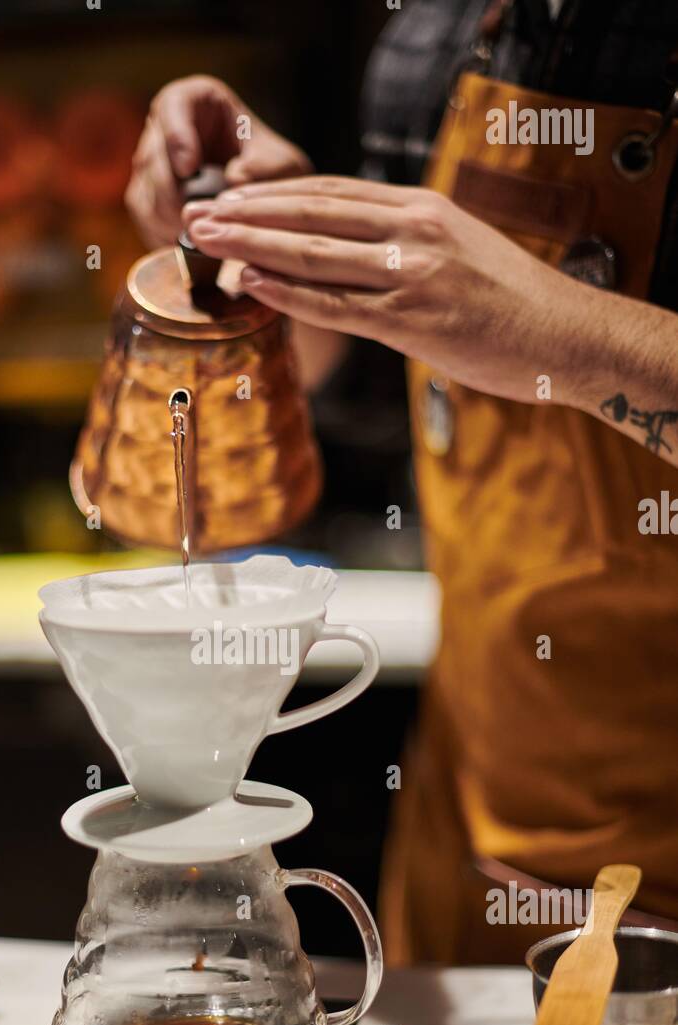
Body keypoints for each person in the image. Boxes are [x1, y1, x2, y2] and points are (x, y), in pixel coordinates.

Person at [124, 0, 678, 965]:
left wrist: (570, 336)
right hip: (465, 835)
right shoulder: (435, 34)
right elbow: (380, 384)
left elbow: (525, 334)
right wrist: (278, 251)